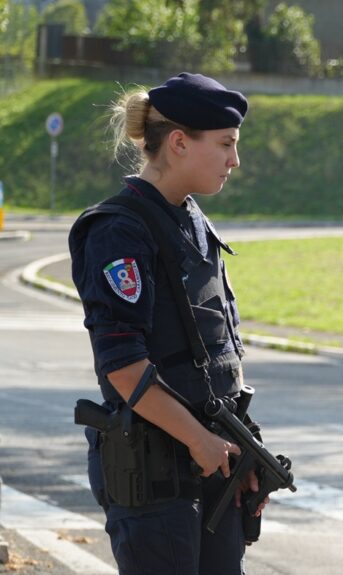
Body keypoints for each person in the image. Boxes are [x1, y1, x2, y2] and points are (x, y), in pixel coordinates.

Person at [69, 73, 257, 575]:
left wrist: (242, 452)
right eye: (225, 144)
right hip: (154, 478)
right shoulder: (118, 230)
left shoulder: (193, 220)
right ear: (178, 143)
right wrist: (200, 440)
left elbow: (216, 360)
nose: (234, 160)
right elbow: (123, 367)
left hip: (210, 463)